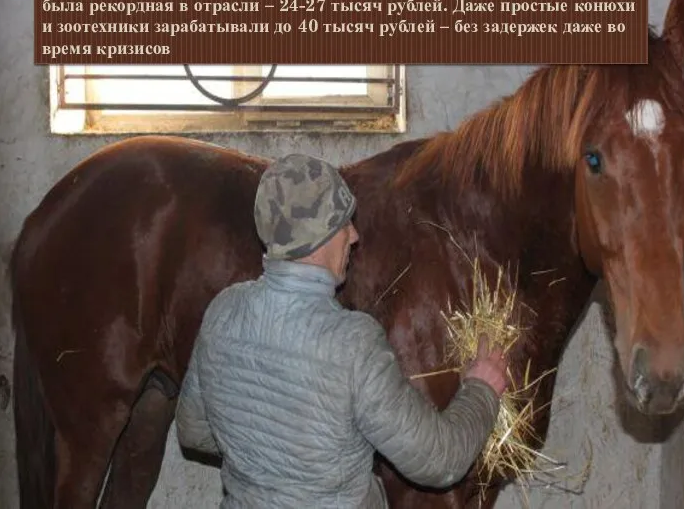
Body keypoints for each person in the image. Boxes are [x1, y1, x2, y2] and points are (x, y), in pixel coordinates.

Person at [175, 154, 509, 509]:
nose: (354, 235)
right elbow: (439, 462)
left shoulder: (223, 312)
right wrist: (482, 390)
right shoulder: (352, 343)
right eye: (343, 223)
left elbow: (192, 429)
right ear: (319, 239)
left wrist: (264, 450)